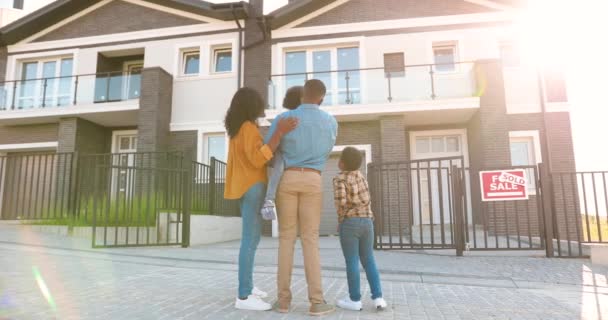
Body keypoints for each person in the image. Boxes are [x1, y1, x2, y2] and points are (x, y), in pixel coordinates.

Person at [266, 79, 337, 316]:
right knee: (310, 239)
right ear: (321, 97)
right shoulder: (330, 121)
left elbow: (269, 152)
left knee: (286, 238)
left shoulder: (284, 119)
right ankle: (317, 302)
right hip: (313, 179)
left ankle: (283, 301)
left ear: (302, 95)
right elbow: (328, 150)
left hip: (288, 178)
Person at [224, 87, 298, 311]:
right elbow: (257, 160)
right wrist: (278, 134)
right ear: (251, 105)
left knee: (253, 240)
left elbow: (252, 157)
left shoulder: (239, 129)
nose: (262, 106)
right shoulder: (247, 128)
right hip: (253, 186)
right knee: (249, 240)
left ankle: (248, 286)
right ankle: (244, 297)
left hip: (247, 186)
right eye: (259, 102)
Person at [332, 147, 387, 311]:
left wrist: (341, 219)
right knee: (369, 259)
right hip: (368, 221)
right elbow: (367, 199)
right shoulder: (361, 176)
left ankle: (354, 300)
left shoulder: (339, 178)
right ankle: (378, 298)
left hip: (350, 223)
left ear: (342, 162)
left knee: (352, 261)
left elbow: (341, 203)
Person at [260, 86, 304, 220]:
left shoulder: (282, 117)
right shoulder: (310, 118)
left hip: (283, 162)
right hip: (303, 167)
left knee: (279, 158)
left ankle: (269, 199)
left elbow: (268, 144)